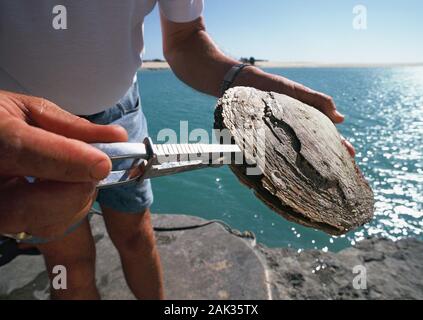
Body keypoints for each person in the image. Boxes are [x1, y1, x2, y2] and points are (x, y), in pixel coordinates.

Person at [0, 0, 355, 300]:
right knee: (68, 260)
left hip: (121, 111)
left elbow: (185, 39)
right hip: (21, 124)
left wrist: (268, 93)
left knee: (137, 236)